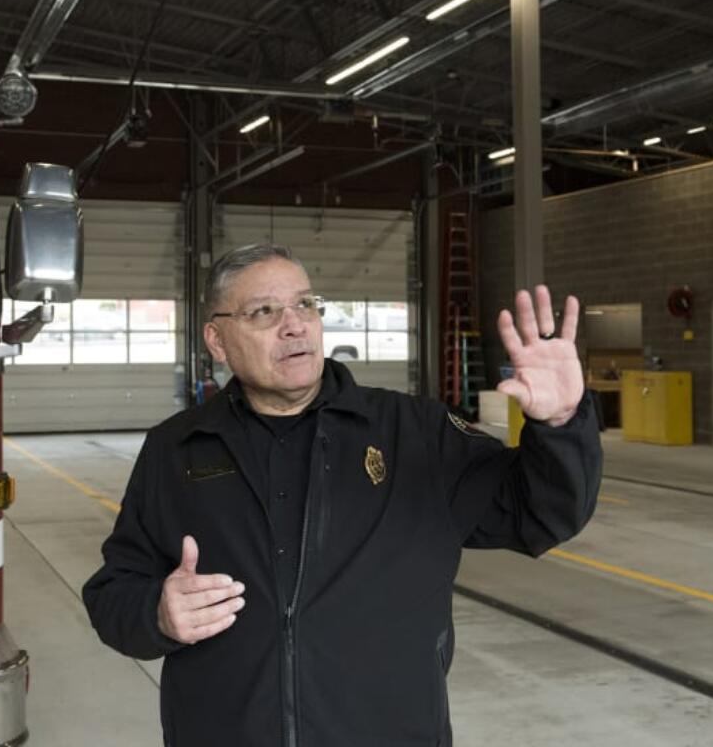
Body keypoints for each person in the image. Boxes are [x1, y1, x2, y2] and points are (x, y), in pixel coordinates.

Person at [83, 243, 602, 747]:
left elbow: (541, 514)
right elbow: (112, 594)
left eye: (305, 304)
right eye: (265, 311)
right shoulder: (176, 450)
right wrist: (158, 613)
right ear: (217, 340)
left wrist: (559, 425)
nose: (295, 324)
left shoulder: (414, 433)